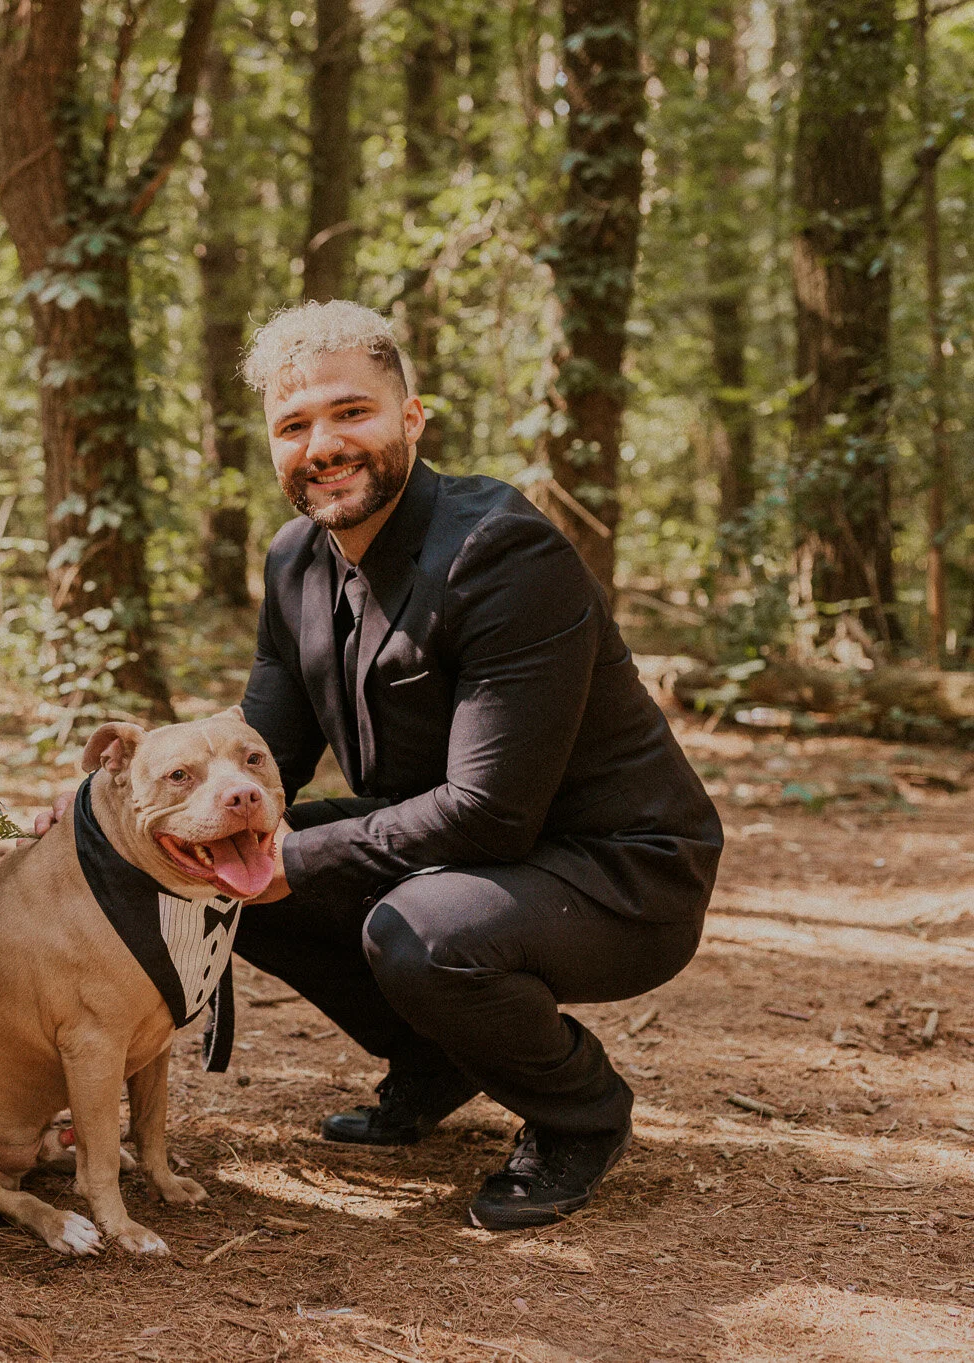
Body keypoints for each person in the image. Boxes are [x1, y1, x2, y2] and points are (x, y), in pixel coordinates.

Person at [232, 301, 723, 1228]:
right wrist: (141, 806)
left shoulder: (499, 548)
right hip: (474, 859)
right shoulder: (295, 560)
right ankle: (438, 1056)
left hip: (621, 871)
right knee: (224, 858)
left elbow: (488, 813)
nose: (323, 444)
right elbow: (263, 757)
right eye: (293, 426)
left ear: (412, 418)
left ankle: (579, 1110)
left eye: (352, 412)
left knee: (412, 927)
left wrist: (289, 861)